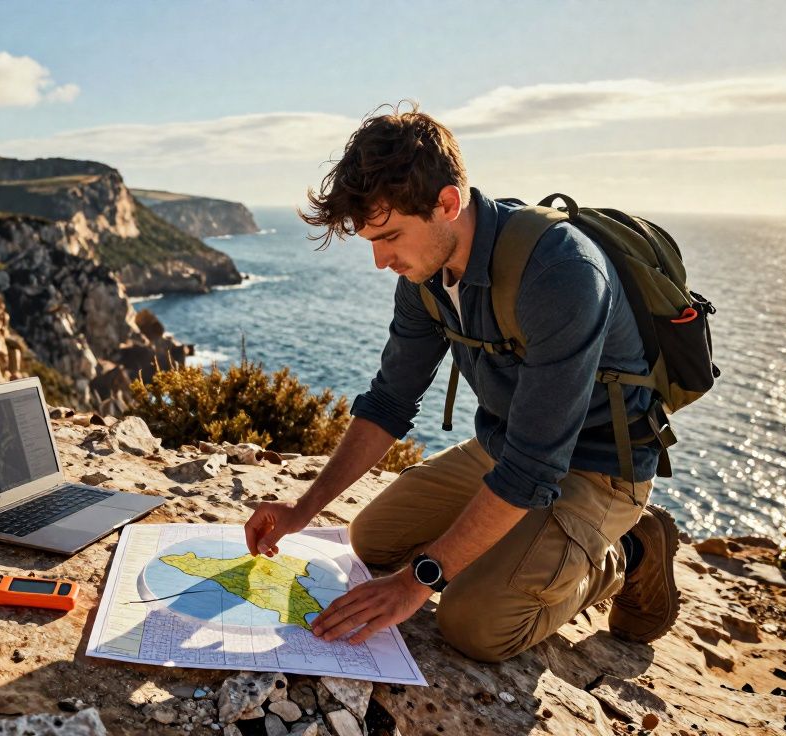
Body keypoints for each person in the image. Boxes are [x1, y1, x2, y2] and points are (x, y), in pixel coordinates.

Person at [242, 106, 680, 662]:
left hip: (597, 468)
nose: (381, 261)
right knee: (370, 540)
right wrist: (304, 509)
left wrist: (416, 582)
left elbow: (536, 465)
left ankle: (627, 551)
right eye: (372, 240)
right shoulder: (424, 275)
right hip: (505, 450)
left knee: (474, 625)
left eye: (391, 236)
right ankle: (521, 546)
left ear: (448, 204)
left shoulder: (561, 273)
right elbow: (389, 402)